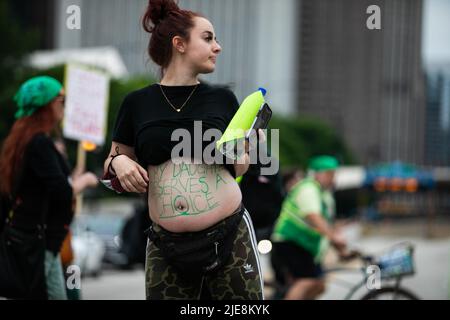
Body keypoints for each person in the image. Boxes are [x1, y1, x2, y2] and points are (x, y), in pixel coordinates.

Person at [102, 0, 263, 300]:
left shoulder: (223, 99)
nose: (218, 47)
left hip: (229, 235)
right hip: (165, 244)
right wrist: (121, 162)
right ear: (180, 44)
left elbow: (241, 167)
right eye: (208, 38)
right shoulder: (137, 103)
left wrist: (246, 150)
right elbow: (110, 161)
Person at [0, 76, 98, 299]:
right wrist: (84, 181)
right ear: (47, 105)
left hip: (39, 243)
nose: (64, 106)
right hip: (39, 244)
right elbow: (61, 191)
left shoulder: (20, 141)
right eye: (61, 99)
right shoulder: (39, 143)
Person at [270, 155, 347, 300]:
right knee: (307, 282)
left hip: (304, 246)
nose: (333, 179)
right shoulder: (308, 188)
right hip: (290, 241)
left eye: (334, 174)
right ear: (318, 173)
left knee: (319, 285)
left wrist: (341, 250)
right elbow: (313, 217)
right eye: (330, 174)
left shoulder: (323, 194)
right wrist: (335, 238)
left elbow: (325, 225)